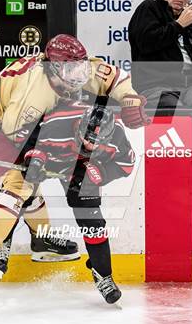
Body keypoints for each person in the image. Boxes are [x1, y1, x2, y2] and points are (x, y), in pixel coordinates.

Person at [0, 34, 150, 281]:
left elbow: (116, 77)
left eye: (81, 65)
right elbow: (17, 138)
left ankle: (41, 240)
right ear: (53, 68)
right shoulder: (33, 94)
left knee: (31, 185)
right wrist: (38, 160)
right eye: (72, 68)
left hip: (15, 123)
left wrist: (130, 99)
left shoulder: (75, 69)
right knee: (21, 182)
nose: (80, 75)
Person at [19, 101, 137, 305]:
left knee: (93, 222)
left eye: (96, 143)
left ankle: (103, 276)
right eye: (87, 139)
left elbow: (126, 164)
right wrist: (34, 160)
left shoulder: (117, 134)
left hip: (85, 168)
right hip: (54, 158)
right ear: (79, 126)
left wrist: (100, 174)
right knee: (19, 191)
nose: (89, 146)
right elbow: (27, 141)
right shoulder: (57, 123)